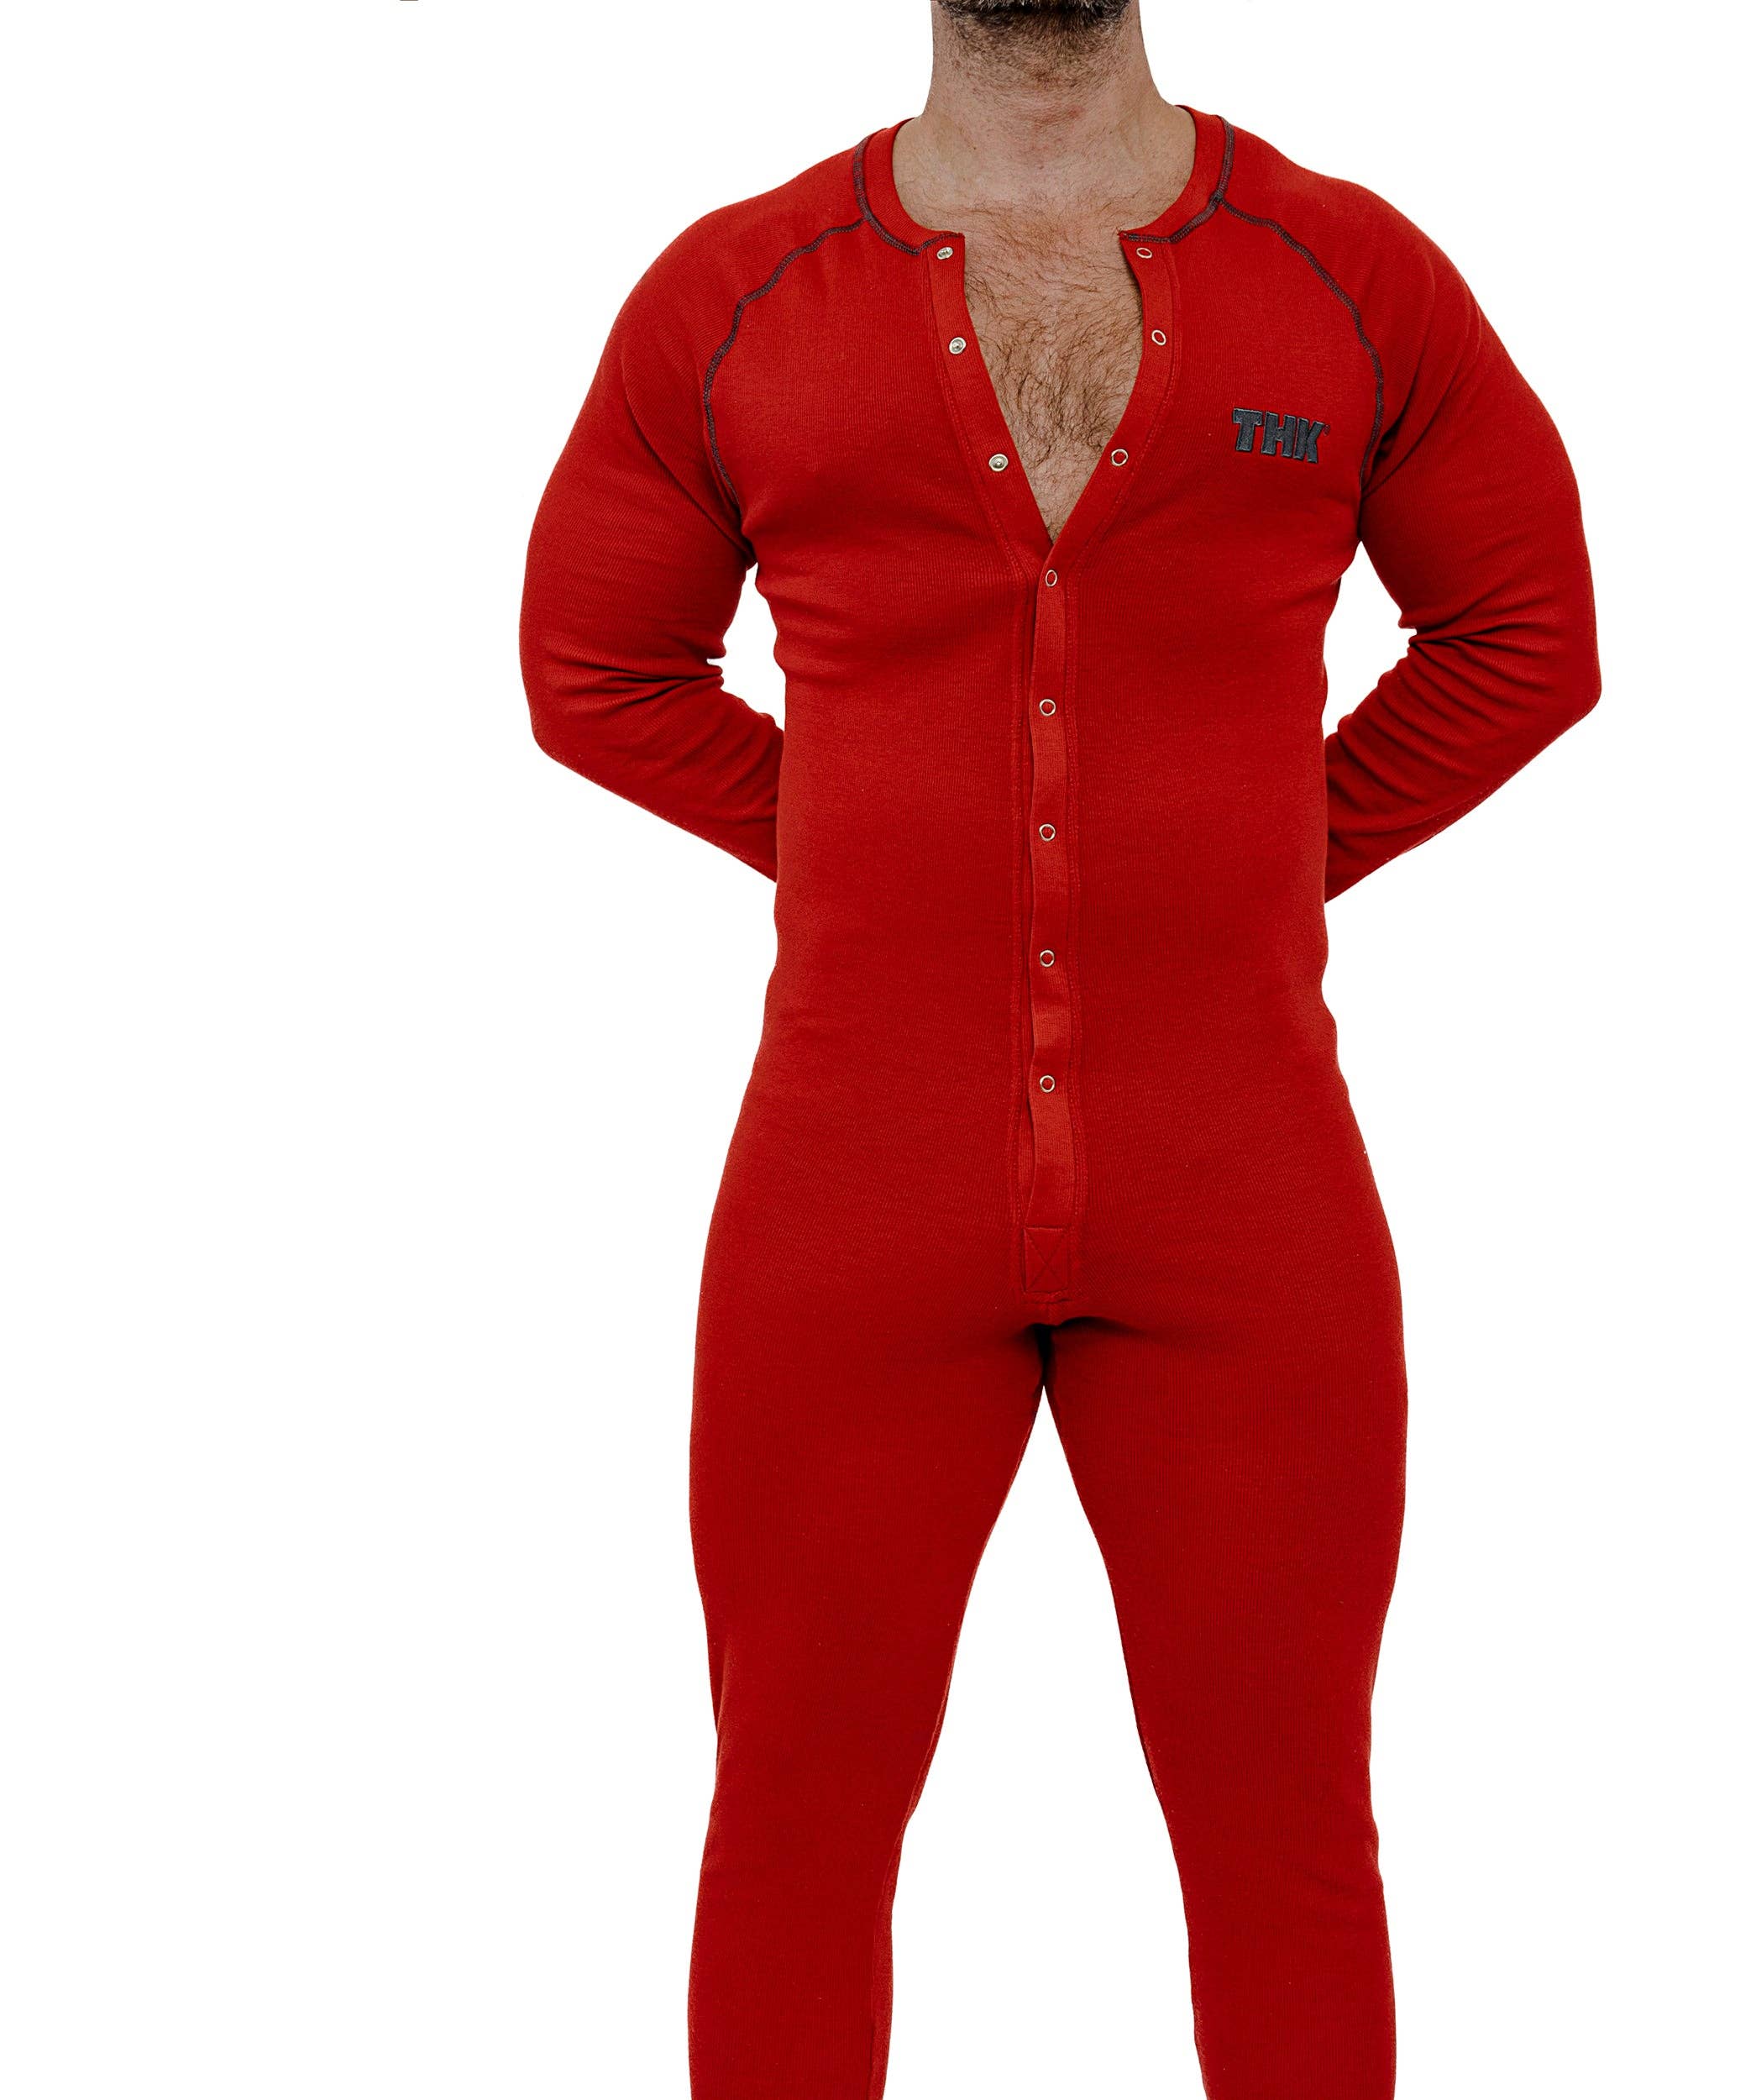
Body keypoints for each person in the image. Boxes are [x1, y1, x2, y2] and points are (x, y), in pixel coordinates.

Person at [518, 2, 1599, 2093]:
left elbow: (1525, 634)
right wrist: (877, 848)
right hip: (852, 1193)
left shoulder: (1346, 274)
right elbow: (592, 664)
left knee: (1283, 1829)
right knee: (796, 1814)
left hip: (1243, 1189)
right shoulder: (735, 288)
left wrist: (1248, 852)